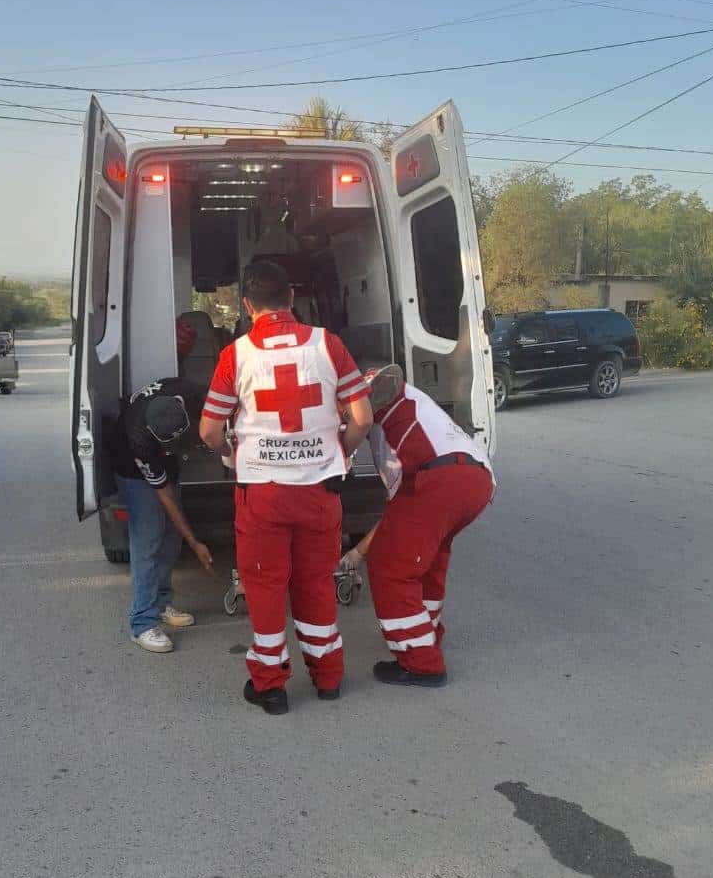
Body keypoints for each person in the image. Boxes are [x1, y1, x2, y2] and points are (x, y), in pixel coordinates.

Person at [199, 260, 373, 715]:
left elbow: (208, 429)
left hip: (262, 495)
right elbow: (363, 418)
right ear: (292, 299)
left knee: (265, 586)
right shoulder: (328, 344)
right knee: (316, 582)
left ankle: (271, 687)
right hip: (321, 492)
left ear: (247, 305)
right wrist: (341, 450)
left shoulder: (235, 355)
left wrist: (231, 453)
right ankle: (328, 678)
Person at [341, 365, 494, 688]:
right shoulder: (415, 402)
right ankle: (426, 632)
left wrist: (357, 553)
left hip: (439, 481)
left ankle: (420, 662)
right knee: (429, 559)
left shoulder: (383, 430)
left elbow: (396, 509)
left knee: (390, 565)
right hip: (477, 479)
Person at [107, 376, 214, 653]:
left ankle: (162, 602)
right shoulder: (138, 440)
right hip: (131, 469)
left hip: (165, 458)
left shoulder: (188, 390)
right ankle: (142, 623)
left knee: (171, 537)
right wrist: (196, 543)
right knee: (149, 537)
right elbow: (165, 496)